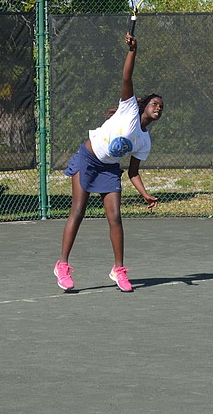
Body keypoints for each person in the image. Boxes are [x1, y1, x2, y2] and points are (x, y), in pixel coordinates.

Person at [54, 31, 164, 292]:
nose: (159, 107)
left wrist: (145, 194)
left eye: (162, 107)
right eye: (155, 103)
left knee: (115, 216)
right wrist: (132, 51)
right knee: (78, 211)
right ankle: (62, 265)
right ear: (144, 104)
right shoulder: (128, 109)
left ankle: (119, 270)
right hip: (87, 159)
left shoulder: (144, 142)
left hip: (109, 169)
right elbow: (127, 77)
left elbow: (133, 172)